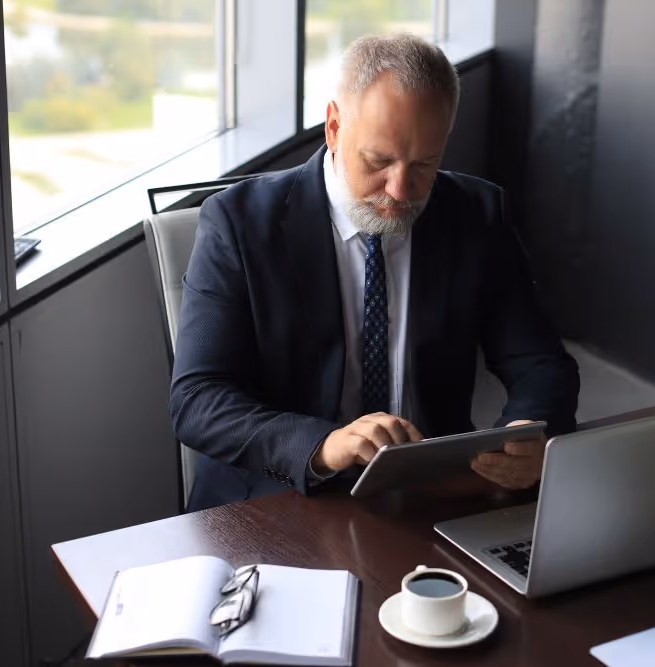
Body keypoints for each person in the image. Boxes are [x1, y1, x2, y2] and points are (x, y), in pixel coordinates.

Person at [171, 34, 579, 511]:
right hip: (277, 498)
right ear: (334, 127)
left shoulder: (477, 214)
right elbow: (197, 400)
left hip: (428, 494)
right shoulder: (237, 223)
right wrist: (325, 446)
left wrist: (529, 433)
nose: (401, 189)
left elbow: (541, 364)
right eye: (379, 161)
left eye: (425, 163)